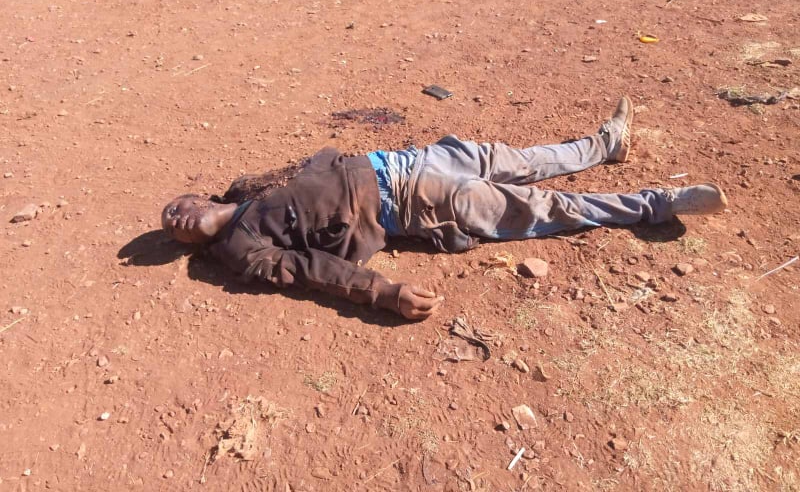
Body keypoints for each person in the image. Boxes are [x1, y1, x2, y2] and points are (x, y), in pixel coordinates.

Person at [161, 97, 727, 320]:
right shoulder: (242, 249)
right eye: (173, 225)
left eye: (176, 205)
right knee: (545, 207)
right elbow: (312, 270)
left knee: (523, 159)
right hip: (412, 203)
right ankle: (659, 204)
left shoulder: (243, 189)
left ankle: (604, 145)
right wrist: (383, 292)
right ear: (189, 243)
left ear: (198, 194)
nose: (177, 216)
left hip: (408, 160)